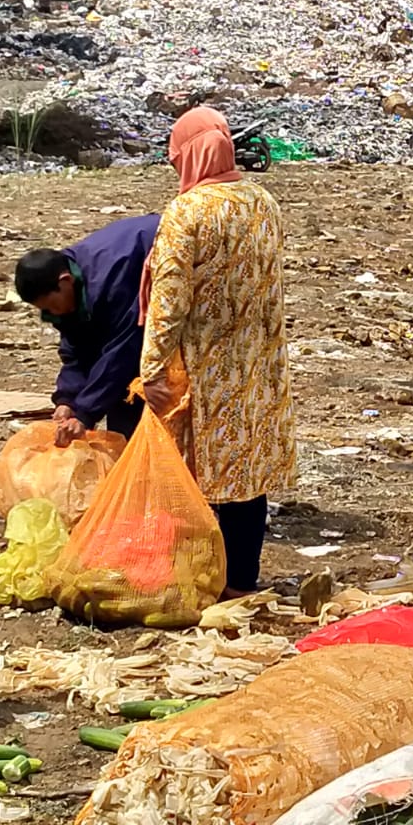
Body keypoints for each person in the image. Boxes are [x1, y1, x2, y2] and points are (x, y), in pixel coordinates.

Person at [140, 106, 294, 599]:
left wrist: (152, 370)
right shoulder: (263, 200)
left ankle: (199, 581)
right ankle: (241, 581)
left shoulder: (187, 211)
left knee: (196, 476)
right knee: (247, 473)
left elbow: (169, 299)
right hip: (260, 360)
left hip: (205, 364)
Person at [14, 213, 159, 445]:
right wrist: (67, 400)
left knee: (138, 387)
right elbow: (78, 348)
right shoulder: (69, 290)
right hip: (130, 297)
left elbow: (122, 351)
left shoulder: (110, 282)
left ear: (65, 281)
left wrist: (85, 413)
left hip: (168, 265)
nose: (53, 313)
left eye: (51, 306)